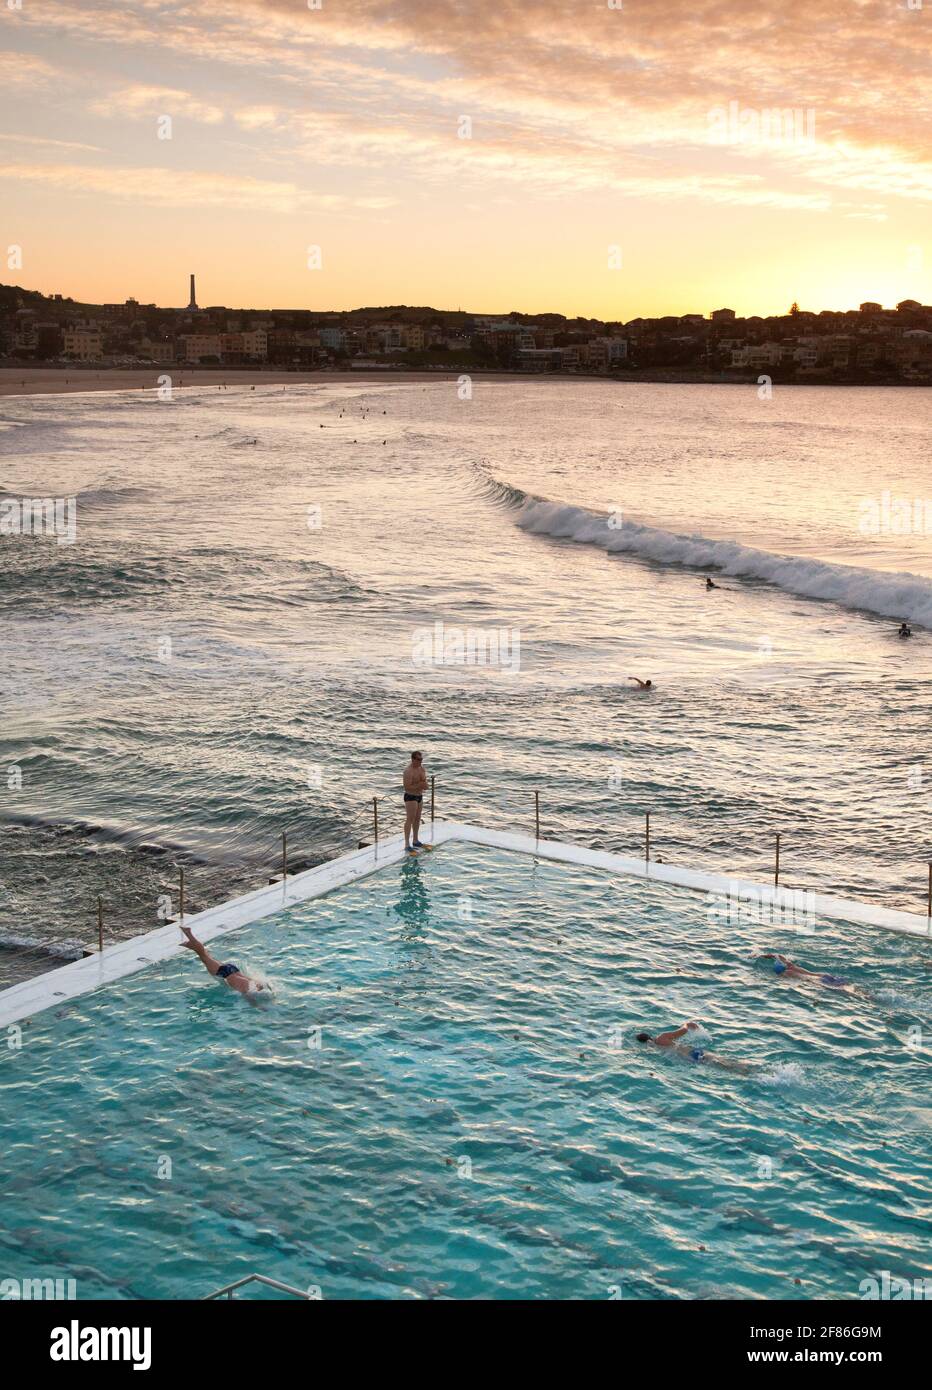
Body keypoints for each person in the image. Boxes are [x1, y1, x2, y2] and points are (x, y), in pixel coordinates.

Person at [180, 925, 269, 999]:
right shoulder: (247, 990)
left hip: (232, 969)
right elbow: (250, 1001)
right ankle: (189, 933)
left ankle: (190, 945)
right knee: (203, 955)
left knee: (206, 957)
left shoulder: (255, 982)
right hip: (223, 973)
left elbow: (267, 985)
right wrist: (259, 1007)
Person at [635, 1019, 752, 1073]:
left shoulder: (652, 1048)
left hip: (689, 1060)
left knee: (720, 1066)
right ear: (649, 1035)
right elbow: (683, 1031)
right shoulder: (662, 1037)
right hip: (693, 1052)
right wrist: (687, 1024)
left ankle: (745, 1073)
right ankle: (749, 1069)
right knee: (723, 1061)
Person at [758, 952, 850, 990]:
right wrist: (761, 955)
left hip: (818, 981)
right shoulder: (791, 965)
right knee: (847, 987)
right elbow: (777, 955)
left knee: (844, 991)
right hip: (823, 976)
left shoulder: (785, 974)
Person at [403, 750, 428, 851]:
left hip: (419, 796)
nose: (420, 761)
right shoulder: (408, 771)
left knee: (418, 819)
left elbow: (424, 783)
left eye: (421, 759)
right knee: (410, 819)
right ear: (413, 759)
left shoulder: (421, 769)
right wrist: (420, 785)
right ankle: (406, 844)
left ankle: (415, 840)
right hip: (410, 797)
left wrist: (424, 785)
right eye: (418, 759)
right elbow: (407, 787)